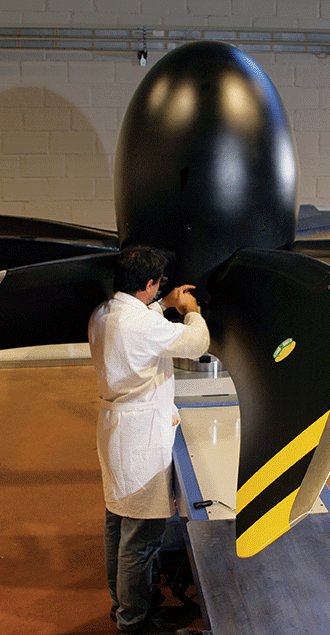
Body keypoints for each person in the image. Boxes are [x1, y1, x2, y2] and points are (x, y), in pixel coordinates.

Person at [89, 245, 210, 634]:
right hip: (140, 437)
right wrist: (190, 310)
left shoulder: (105, 313)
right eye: (158, 285)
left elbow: (140, 322)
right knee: (140, 538)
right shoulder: (140, 325)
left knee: (117, 523)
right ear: (148, 284)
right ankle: (134, 621)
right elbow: (197, 343)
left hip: (115, 429)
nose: (160, 290)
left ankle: (123, 604)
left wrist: (164, 304)